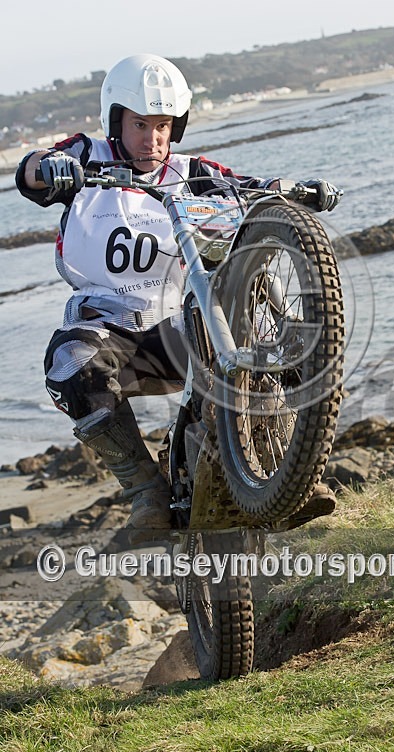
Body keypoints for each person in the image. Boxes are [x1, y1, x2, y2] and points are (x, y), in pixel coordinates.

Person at [16, 54, 340, 543]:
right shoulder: (86, 156)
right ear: (116, 122)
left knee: (253, 334)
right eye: (140, 125)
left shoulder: (192, 172)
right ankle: (145, 491)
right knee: (68, 365)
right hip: (110, 333)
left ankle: (292, 474)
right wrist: (49, 166)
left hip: (179, 328)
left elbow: (251, 187)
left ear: (177, 126)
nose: (152, 138)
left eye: (163, 126)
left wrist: (294, 191)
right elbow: (30, 173)